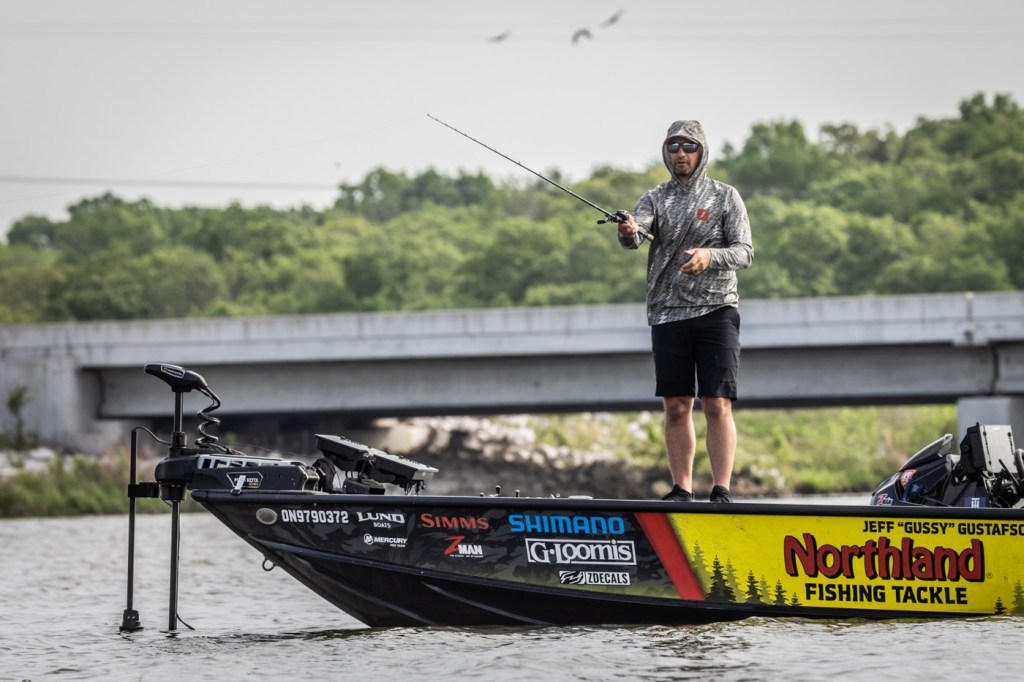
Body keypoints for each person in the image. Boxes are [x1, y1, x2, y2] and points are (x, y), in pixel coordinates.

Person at [616, 120, 753, 503]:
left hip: (717, 310)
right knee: (677, 406)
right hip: (667, 313)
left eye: (688, 146)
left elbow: (745, 252)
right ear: (666, 153)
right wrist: (627, 231)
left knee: (716, 403)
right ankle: (682, 489)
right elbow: (636, 235)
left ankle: (721, 490)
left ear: (701, 151)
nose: (680, 153)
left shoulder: (726, 197)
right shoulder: (654, 198)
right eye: (673, 147)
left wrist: (709, 256)